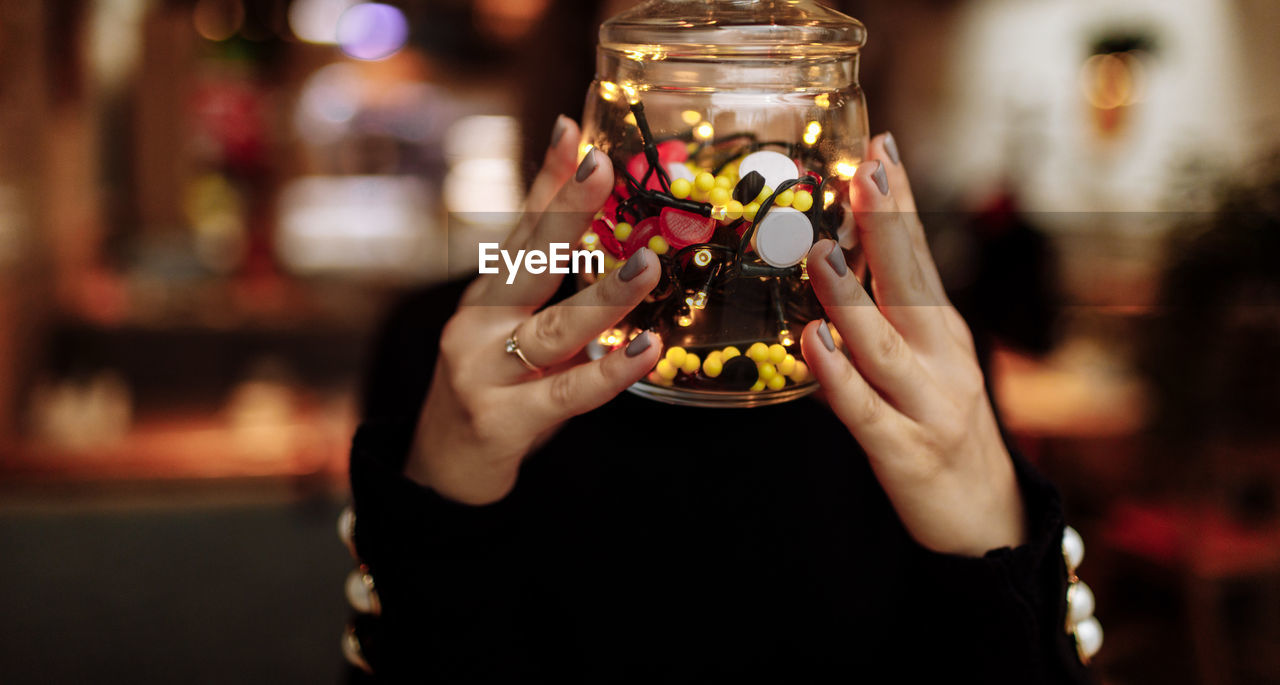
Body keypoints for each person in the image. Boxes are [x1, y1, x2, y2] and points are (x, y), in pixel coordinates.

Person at [342, 125, 1099, 682]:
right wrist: (435, 506)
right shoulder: (449, 339)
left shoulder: (927, 358)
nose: (714, 77)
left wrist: (997, 548)